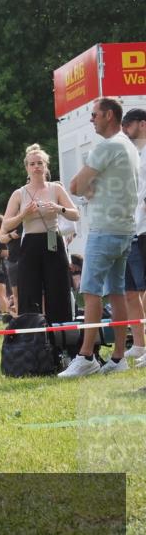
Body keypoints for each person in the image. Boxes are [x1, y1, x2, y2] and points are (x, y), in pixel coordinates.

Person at [61, 98, 139, 377]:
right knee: (116, 293)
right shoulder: (128, 145)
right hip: (124, 230)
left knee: (90, 292)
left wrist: (90, 189)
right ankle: (118, 358)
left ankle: (86, 356)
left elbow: (75, 185)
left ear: (108, 115)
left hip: (104, 229)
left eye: (94, 114)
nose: (91, 119)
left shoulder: (107, 146)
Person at [1, 144, 80, 327]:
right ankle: (31, 337)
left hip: (53, 239)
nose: (36, 167)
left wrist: (58, 208)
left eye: (40, 163)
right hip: (30, 243)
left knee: (58, 289)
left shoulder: (56, 189)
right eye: (32, 164)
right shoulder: (19, 193)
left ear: (46, 166)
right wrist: (23, 215)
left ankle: (61, 338)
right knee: (29, 290)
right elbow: (6, 224)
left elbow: (75, 214)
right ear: (27, 168)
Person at [122, 108, 146, 365]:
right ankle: (139, 344)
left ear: (142, 124)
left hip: (143, 230)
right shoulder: (138, 156)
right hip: (133, 230)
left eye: (128, 126)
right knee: (130, 291)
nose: (126, 131)